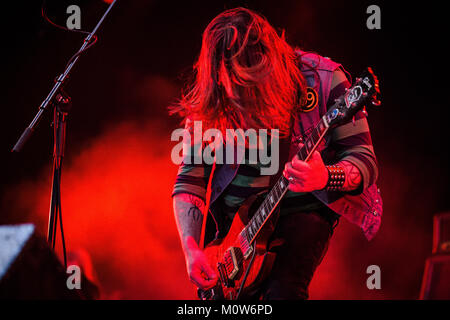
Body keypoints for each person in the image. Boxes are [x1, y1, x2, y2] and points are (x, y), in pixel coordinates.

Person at [170, 7, 382, 300]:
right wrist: (191, 248)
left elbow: (364, 160)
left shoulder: (323, 80)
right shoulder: (213, 94)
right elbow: (190, 180)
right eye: (238, 91)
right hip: (238, 235)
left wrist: (326, 176)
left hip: (303, 214)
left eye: (255, 87)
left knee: (284, 291)